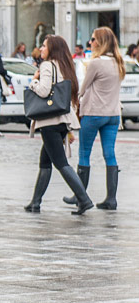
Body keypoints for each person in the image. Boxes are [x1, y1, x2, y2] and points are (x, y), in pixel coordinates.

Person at [23, 35, 92, 215]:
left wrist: (34, 81)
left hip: (49, 121)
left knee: (60, 163)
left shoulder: (47, 66)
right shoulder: (66, 65)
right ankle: (35, 202)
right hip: (62, 119)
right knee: (45, 161)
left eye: (44, 46)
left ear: (52, 48)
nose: (41, 49)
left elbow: (45, 91)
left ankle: (83, 199)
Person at [63, 27, 125, 210]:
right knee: (109, 154)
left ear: (100, 42)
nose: (90, 42)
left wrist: (73, 102)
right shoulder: (118, 62)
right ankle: (111, 199)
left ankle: (80, 196)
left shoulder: (95, 63)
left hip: (94, 113)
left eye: (93, 39)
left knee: (84, 153)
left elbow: (83, 89)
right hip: (113, 114)